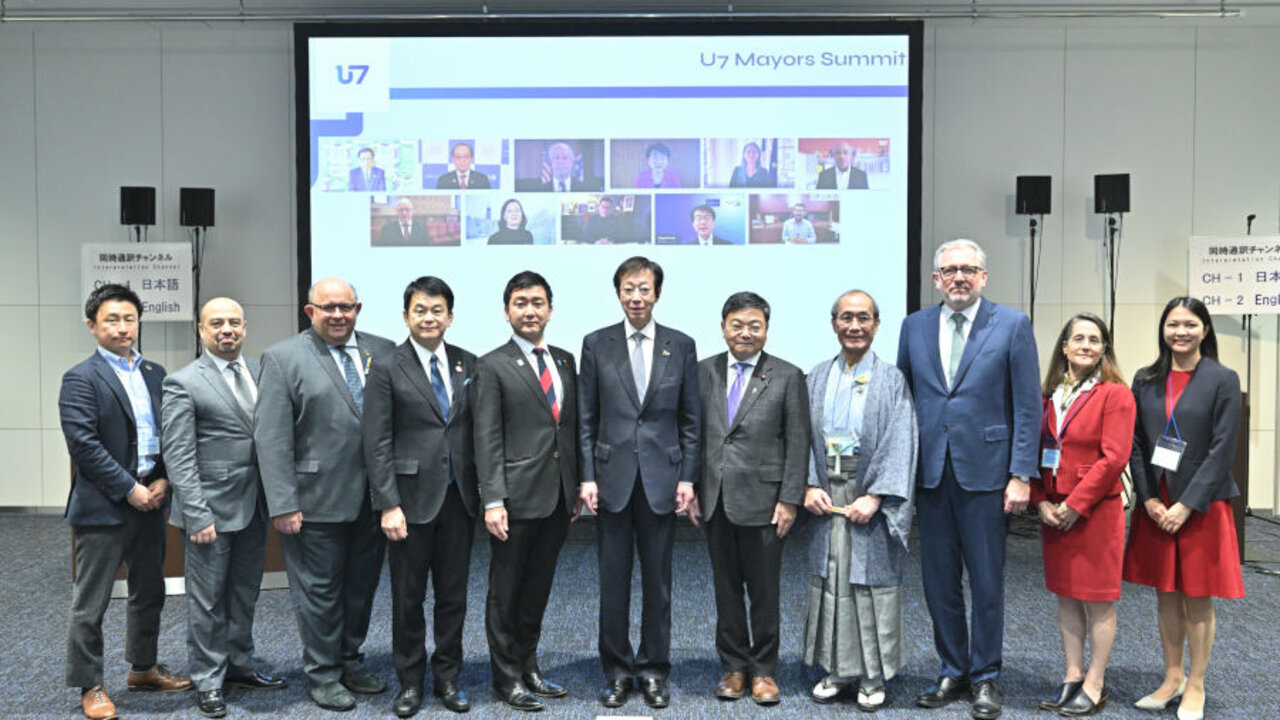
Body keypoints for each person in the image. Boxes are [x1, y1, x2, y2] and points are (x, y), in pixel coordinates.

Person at [896, 239, 1040, 720]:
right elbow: (904, 400)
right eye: (950, 270)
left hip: (989, 475)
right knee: (938, 582)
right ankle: (952, 669)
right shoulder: (914, 326)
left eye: (968, 269)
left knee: (986, 581)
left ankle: (985, 676)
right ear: (936, 278)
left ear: (983, 276)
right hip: (931, 473)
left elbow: (1027, 406)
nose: (959, 277)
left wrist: (1021, 474)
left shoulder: (1013, 325)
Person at [254, 277, 394, 711]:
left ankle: (349, 659)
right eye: (328, 307)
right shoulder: (282, 357)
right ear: (309, 311)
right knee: (319, 593)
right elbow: (271, 436)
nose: (337, 315)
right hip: (312, 501)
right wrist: (283, 502)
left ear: (358, 309)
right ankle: (323, 673)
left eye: (345, 307)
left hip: (374, 498)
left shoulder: (384, 350)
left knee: (361, 588)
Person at [61, 283, 192, 720]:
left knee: (149, 590)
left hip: (151, 499)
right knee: (91, 601)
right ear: (92, 325)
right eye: (112, 320)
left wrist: (163, 479)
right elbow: (84, 446)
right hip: (104, 505)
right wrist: (128, 488)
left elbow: (169, 432)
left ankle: (143, 668)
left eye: (129, 319)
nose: (122, 327)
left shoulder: (155, 372)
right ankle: (90, 685)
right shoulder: (81, 378)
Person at [579, 256, 701, 710]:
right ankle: (616, 671)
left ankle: (652, 670)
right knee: (613, 584)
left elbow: (691, 421)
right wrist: (586, 476)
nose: (636, 297)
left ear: (657, 293)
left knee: (658, 584)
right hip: (610, 479)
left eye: (644, 289)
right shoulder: (596, 344)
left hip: (662, 481)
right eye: (628, 289)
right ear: (618, 293)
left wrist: (688, 477)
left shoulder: (680, 345)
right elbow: (586, 419)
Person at [161, 298, 286, 719]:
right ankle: (208, 680)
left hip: (255, 506)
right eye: (216, 323)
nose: (226, 329)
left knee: (244, 592)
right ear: (201, 330)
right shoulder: (183, 382)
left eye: (234, 322)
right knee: (208, 601)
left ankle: (239, 665)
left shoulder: (262, 371)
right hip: (209, 513)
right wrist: (196, 514)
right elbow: (179, 456)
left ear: (245, 328)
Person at [1124, 297, 1245, 720]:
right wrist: (1149, 498)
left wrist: (1187, 505)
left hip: (1200, 506)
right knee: (1166, 594)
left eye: (1190, 324)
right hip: (1156, 503)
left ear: (1205, 330)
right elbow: (1135, 444)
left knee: (1197, 595)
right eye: (1173, 324)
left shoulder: (1222, 379)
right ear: (1163, 329)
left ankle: (1196, 684)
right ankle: (1172, 677)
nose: (1180, 332)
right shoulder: (1145, 379)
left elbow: (1222, 449)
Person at [362, 277, 478, 717]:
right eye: (420, 310)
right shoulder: (387, 366)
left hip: (459, 499)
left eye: (437, 310)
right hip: (408, 503)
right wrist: (387, 504)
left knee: (453, 597)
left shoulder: (468, 363)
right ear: (405, 316)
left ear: (450, 316)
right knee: (408, 598)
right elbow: (377, 441)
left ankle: (448, 677)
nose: (429, 318)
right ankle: (410, 681)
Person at [803, 289, 917, 712]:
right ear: (834, 323)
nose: (855, 326)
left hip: (868, 492)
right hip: (827, 489)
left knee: (868, 584)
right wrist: (807, 485)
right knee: (832, 580)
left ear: (877, 324)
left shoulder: (891, 380)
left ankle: (872, 675)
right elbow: (800, 437)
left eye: (863, 318)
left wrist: (877, 495)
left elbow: (901, 438)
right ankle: (837, 669)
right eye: (846, 317)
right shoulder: (817, 376)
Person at [473, 271, 580, 712]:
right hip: (513, 500)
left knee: (537, 588)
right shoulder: (491, 365)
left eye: (537, 302)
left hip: (557, 496)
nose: (530, 311)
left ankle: (528, 665)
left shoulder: (565, 360)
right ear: (507, 312)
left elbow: (570, 429)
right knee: (506, 593)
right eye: (520, 303)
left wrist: (576, 485)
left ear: (550, 310)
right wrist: (493, 500)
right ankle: (506, 678)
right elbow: (486, 437)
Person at [696, 292, 808, 705]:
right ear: (723, 327)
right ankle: (733, 667)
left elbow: (798, 441)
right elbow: (694, 436)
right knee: (725, 590)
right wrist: (692, 488)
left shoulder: (787, 375)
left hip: (766, 503)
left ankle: (763, 670)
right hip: (715, 498)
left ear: (766, 330)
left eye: (754, 326)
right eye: (737, 325)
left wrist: (790, 498)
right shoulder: (702, 372)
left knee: (763, 592)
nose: (745, 333)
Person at [1032, 313, 1135, 717]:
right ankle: (1072, 675)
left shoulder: (1115, 394)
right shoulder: (1048, 394)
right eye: (1079, 338)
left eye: (1095, 340)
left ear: (1104, 349)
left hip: (1095, 514)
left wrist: (1076, 504)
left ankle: (1095, 682)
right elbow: (1033, 451)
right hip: (1054, 512)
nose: (1086, 346)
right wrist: (1040, 500)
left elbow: (1114, 458)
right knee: (1067, 596)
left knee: (1098, 601)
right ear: (1064, 346)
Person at [521, 141, 603, 192]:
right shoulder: (539, 189)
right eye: (556, 158)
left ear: (572, 162)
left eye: (565, 158)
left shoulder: (584, 188)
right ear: (550, 163)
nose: (560, 162)